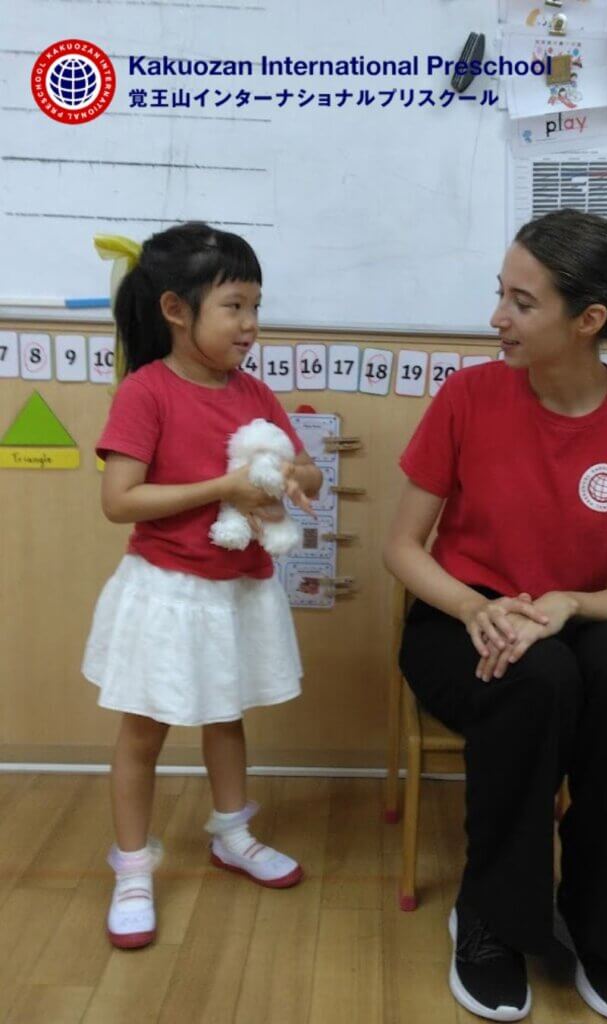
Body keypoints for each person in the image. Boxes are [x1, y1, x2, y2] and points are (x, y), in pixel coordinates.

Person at [384, 209, 607, 1022]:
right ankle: (488, 913)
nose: (497, 317)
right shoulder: (467, 396)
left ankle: (598, 925)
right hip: (457, 622)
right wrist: (475, 608)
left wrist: (565, 604)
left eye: (521, 303)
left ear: (587, 319)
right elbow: (402, 548)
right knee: (537, 680)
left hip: (574, 621)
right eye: (500, 294)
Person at [82, 222, 323, 950]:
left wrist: (294, 476)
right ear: (176, 310)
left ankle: (231, 835)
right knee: (142, 732)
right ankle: (132, 869)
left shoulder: (254, 391)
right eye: (234, 306)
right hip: (167, 593)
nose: (250, 324)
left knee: (225, 716)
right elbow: (120, 501)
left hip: (237, 588)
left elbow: (308, 471)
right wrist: (223, 487)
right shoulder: (145, 391)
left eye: (256, 306)